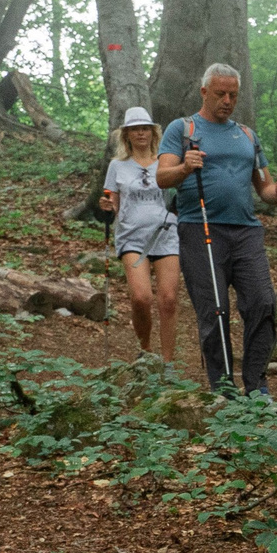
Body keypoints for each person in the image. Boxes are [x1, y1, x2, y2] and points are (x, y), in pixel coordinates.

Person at [156, 63, 277, 394]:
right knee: (215, 309)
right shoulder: (182, 129)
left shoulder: (247, 135)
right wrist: (185, 167)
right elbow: (161, 177)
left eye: (233, 95)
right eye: (220, 94)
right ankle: (224, 391)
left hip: (246, 231)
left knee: (262, 302)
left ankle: (257, 388)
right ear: (204, 92)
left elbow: (265, 189)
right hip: (199, 227)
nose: (227, 101)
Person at [98, 107, 183, 362]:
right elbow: (111, 201)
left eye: (145, 128)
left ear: (153, 132)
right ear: (126, 135)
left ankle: (167, 363)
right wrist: (106, 206)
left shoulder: (165, 163)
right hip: (131, 237)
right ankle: (145, 349)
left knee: (168, 299)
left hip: (166, 234)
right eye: (135, 129)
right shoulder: (117, 166)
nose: (141, 133)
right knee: (141, 298)